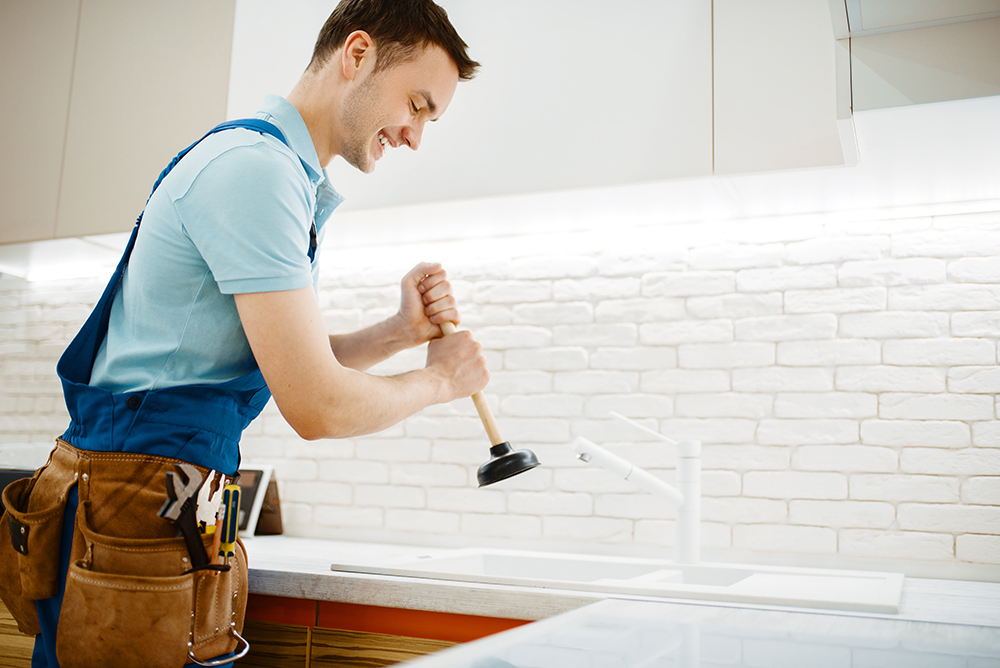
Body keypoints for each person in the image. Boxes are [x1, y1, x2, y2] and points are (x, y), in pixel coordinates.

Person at [0, 1, 485, 666]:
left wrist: (398, 332)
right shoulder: (257, 172)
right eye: (419, 105)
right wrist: (438, 380)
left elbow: (279, 360)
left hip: (186, 489)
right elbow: (315, 405)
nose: (414, 135)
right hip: (139, 492)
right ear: (358, 55)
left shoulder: (280, 173)